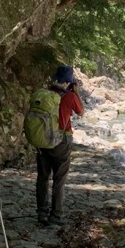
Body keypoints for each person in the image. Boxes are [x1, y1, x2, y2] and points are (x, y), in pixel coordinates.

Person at [36, 65, 83, 226]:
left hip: (42, 139)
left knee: (42, 177)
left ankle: (41, 212)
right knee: (59, 178)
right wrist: (76, 92)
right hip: (61, 141)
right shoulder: (70, 96)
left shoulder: (44, 94)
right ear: (69, 82)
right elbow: (81, 112)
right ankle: (56, 215)